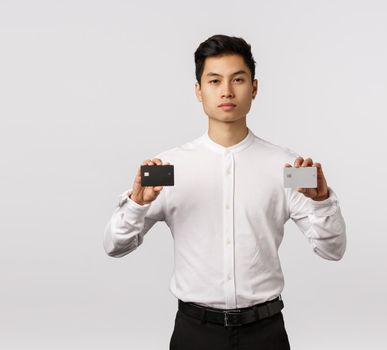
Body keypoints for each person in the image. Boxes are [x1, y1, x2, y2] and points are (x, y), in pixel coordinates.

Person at [103, 34, 347, 350]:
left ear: (254, 88)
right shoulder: (168, 167)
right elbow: (114, 246)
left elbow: (333, 251)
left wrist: (322, 202)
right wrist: (136, 204)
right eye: (215, 81)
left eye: (238, 79)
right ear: (198, 91)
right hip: (195, 333)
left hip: (265, 334)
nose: (227, 91)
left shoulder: (287, 167)